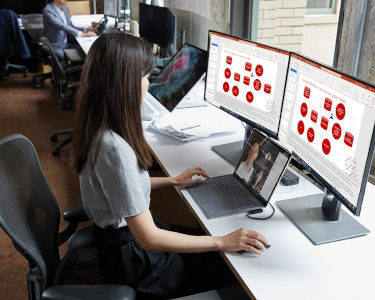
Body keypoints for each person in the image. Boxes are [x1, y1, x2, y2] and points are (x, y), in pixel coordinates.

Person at [69, 32, 269, 299]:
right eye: (145, 77)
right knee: (233, 264)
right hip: (135, 261)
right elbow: (149, 238)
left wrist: (172, 181)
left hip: (125, 242)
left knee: (214, 243)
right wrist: (222, 242)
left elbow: (120, 187)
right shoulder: (114, 148)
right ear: (124, 83)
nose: (148, 83)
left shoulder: (97, 124)